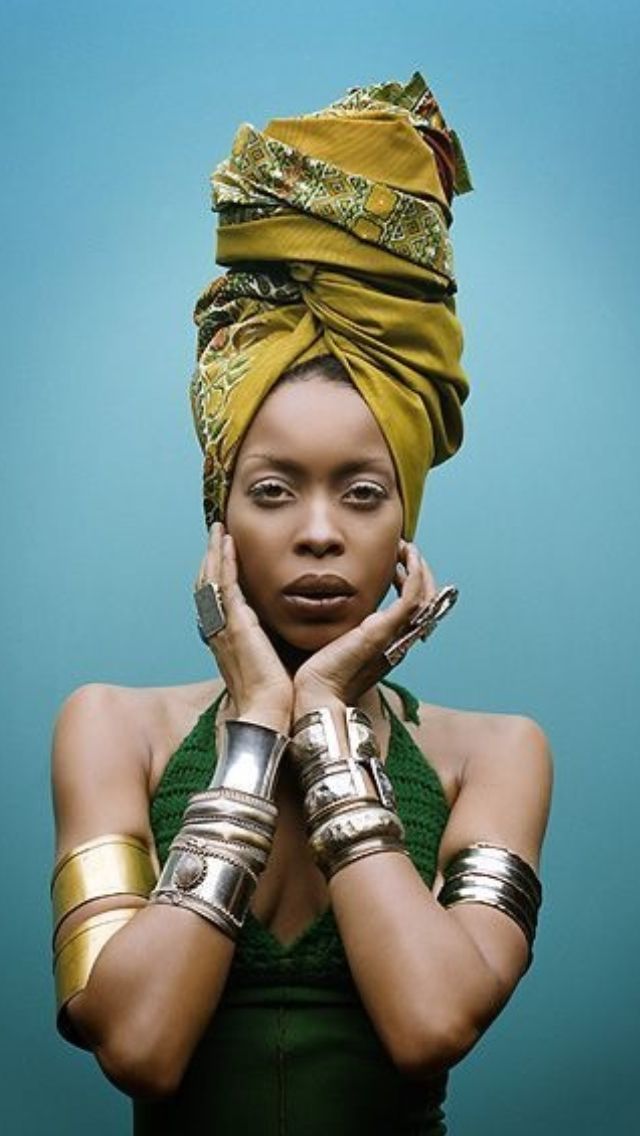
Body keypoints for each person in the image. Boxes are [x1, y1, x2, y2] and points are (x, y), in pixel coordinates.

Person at [50, 73, 552, 1135]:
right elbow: (137, 1045)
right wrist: (253, 727)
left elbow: (429, 1022)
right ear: (219, 515)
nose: (319, 530)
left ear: (404, 514)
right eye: (272, 490)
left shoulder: (497, 755)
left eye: (361, 493)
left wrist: (323, 720)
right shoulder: (110, 727)